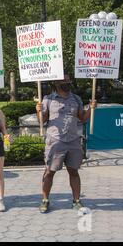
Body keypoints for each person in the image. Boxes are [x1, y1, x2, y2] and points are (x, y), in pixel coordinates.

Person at [35, 75, 96, 213]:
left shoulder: (76, 99)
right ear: (56, 83)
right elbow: (42, 120)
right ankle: (45, 200)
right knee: (49, 172)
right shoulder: (48, 99)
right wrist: (38, 110)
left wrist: (91, 109)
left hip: (73, 141)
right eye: (63, 81)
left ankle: (77, 200)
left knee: (74, 171)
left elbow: (83, 118)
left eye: (68, 81)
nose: (67, 83)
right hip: (55, 141)